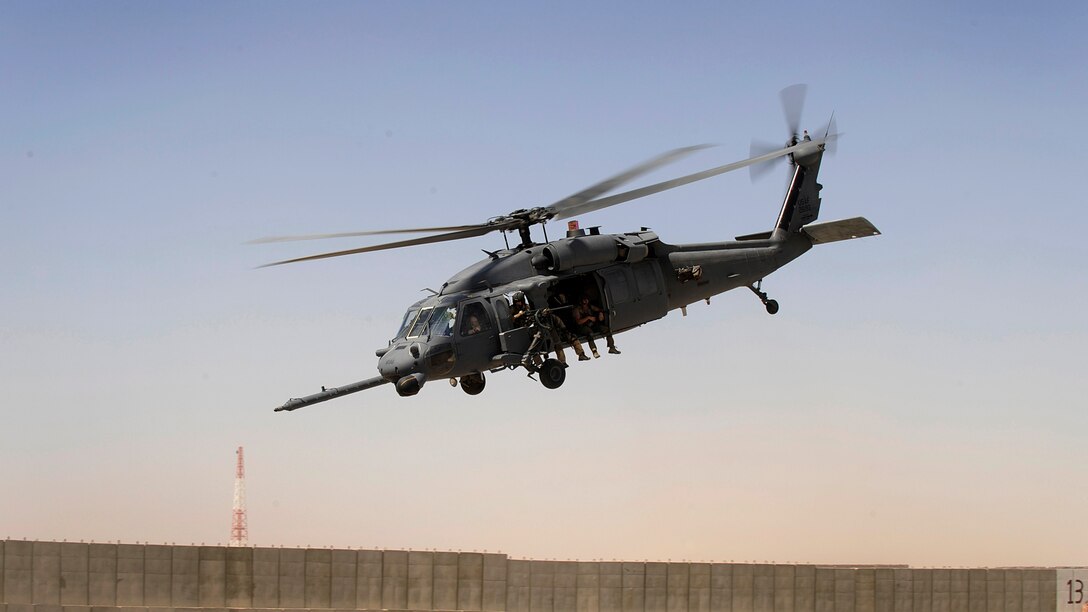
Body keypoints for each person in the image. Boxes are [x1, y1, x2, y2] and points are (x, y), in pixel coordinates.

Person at [548, 292, 589, 361]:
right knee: (558, 345)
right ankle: (562, 361)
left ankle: (581, 354)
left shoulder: (565, 308)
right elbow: (558, 322)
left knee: (574, 339)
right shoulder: (554, 314)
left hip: (564, 330)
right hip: (556, 332)